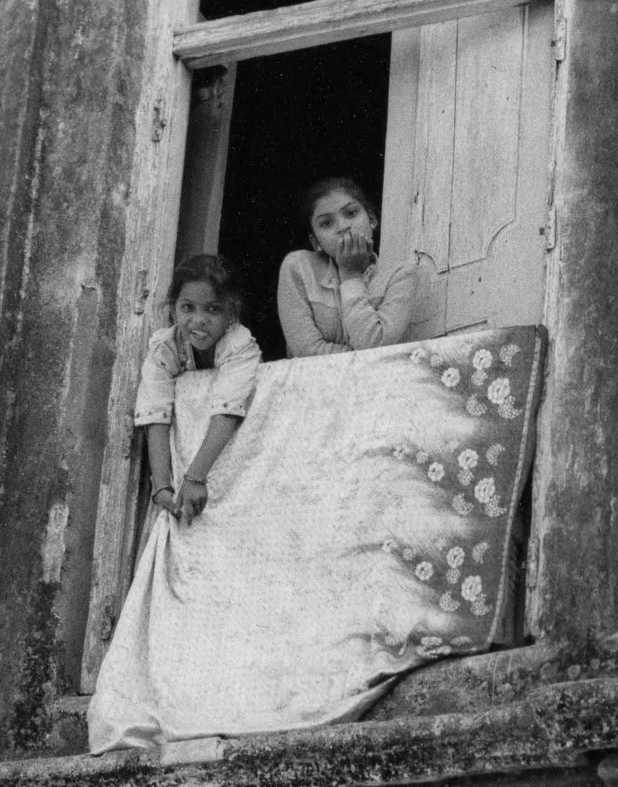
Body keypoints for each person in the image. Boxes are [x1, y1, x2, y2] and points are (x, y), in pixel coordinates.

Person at [134, 253, 261, 526]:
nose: (198, 320)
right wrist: (162, 485)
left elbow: (228, 407)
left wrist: (195, 477)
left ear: (231, 312)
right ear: (173, 310)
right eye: (187, 308)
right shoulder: (165, 347)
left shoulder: (239, 345)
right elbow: (154, 410)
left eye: (213, 309)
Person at [276, 176, 435, 356]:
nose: (343, 226)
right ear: (316, 243)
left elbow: (374, 345)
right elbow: (305, 351)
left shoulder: (401, 276)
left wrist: (350, 276)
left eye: (351, 213)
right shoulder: (299, 268)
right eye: (326, 223)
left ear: (372, 219)